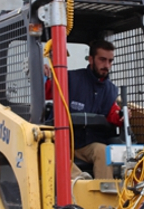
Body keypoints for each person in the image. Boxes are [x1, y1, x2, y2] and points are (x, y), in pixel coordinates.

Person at [45, 40, 124, 179]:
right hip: (63, 141)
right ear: (91, 59)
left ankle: (105, 192)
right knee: (51, 151)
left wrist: (121, 116)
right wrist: (44, 77)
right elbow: (47, 91)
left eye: (110, 61)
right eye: (102, 60)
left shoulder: (111, 90)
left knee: (102, 150)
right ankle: (80, 181)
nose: (107, 65)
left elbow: (113, 113)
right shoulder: (70, 79)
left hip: (86, 145)